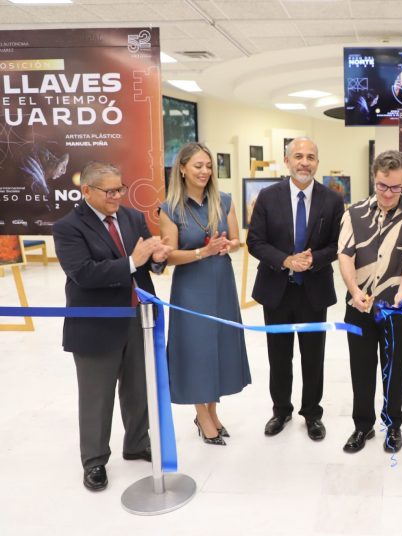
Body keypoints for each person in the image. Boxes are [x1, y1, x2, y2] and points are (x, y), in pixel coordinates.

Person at [53, 161, 172, 491]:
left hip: (138, 320)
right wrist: (133, 261)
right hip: (96, 325)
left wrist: (158, 257)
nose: (117, 196)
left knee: (138, 388)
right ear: (86, 191)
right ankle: (94, 461)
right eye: (110, 191)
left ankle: (136, 443)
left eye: (120, 189)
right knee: (97, 397)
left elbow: (147, 263)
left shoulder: (132, 217)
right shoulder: (68, 227)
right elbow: (84, 273)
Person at [247, 137, 344, 441]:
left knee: (313, 357)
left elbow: (337, 244)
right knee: (278, 356)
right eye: (298, 156)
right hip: (276, 290)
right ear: (287, 161)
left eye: (310, 157)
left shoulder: (332, 200)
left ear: (317, 163)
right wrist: (286, 260)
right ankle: (281, 411)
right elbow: (255, 242)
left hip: (314, 290)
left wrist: (315, 259)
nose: (304, 162)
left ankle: (312, 414)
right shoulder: (267, 197)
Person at [160, 142, 250, 445]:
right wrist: (202, 252)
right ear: (182, 169)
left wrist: (228, 245)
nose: (205, 171)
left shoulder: (224, 201)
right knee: (197, 350)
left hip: (222, 284)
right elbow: (169, 256)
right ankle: (202, 415)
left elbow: (237, 240)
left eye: (209, 166)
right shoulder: (170, 209)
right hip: (191, 287)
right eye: (198, 166)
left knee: (219, 347)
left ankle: (210, 412)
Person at [338, 150, 402, 454]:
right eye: (382, 186)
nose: (388, 194)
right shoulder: (353, 214)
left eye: (395, 187)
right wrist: (354, 291)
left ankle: (393, 425)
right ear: (373, 179)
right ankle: (362, 426)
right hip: (359, 308)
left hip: (396, 310)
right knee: (361, 368)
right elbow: (345, 255)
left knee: (395, 369)